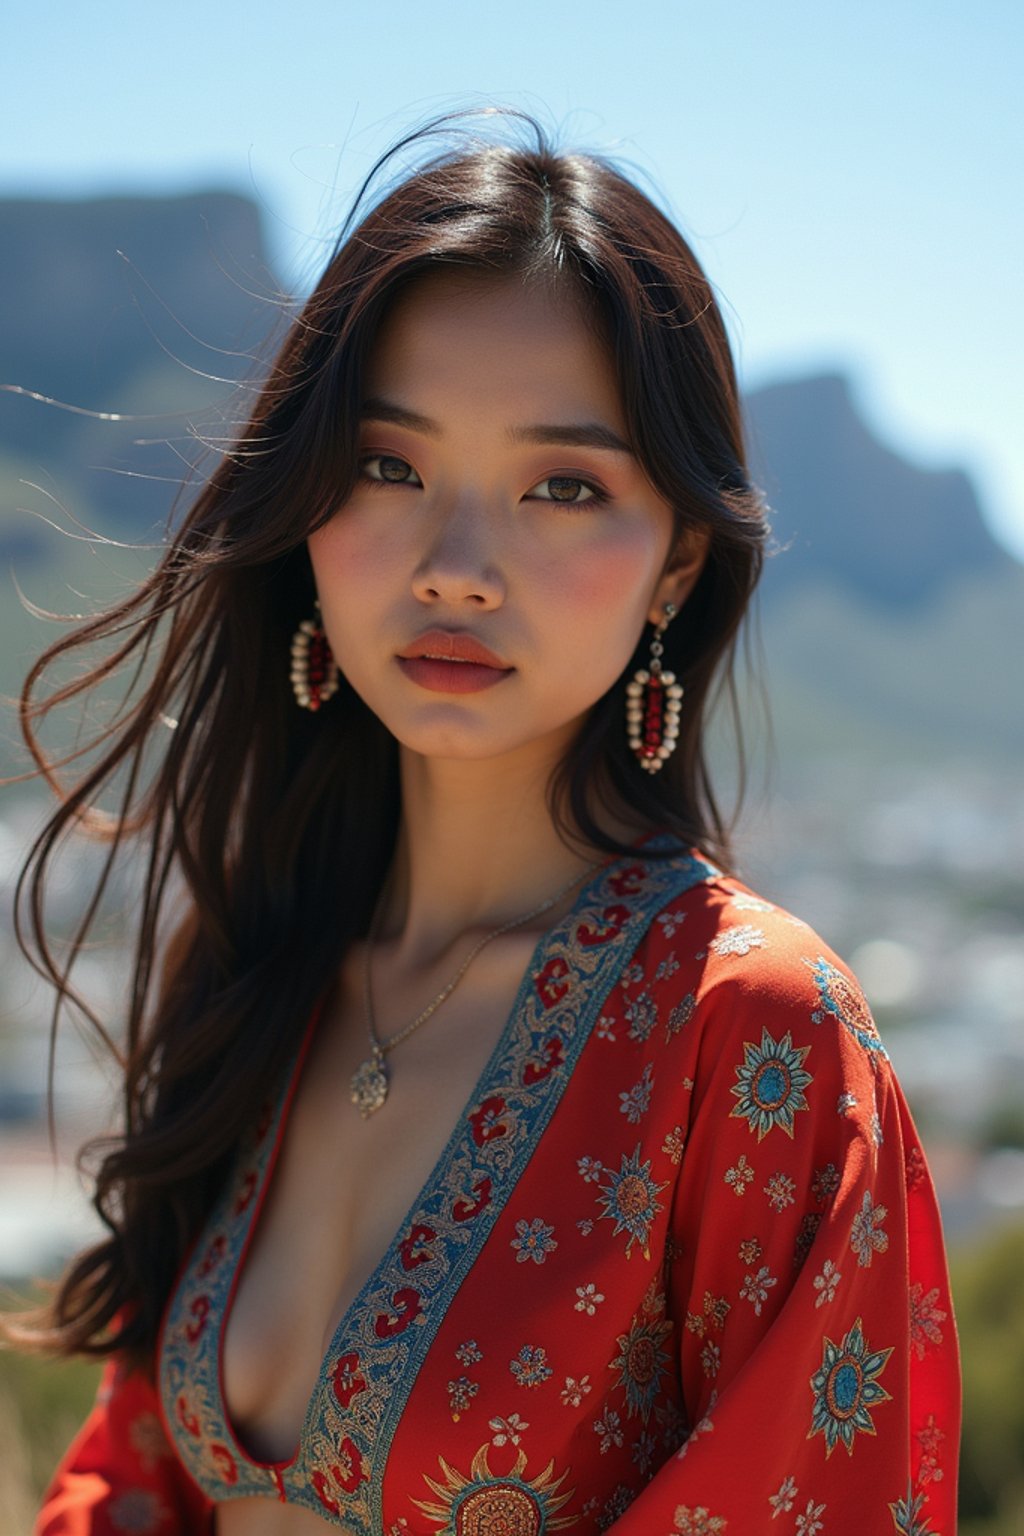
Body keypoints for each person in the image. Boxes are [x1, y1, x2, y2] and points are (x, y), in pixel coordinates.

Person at [4, 108, 959, 1534]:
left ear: (675, 564)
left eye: (563, 487)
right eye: (390, 466)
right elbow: (131, 1480)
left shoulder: (752, 1035)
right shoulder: (261, 959)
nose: (457, 567)